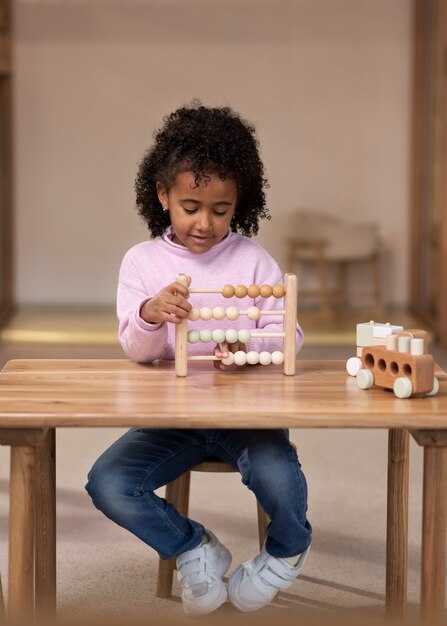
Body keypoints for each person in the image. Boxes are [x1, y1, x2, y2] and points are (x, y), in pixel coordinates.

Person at [85, 102, 312, 617]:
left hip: (248, 418)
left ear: (240, 203)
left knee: (279, 475)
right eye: (191, 206)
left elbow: (287, 333)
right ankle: (193, 547)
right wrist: (150, 314)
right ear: (163, 195)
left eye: (220, 209)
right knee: (109, 482)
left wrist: (250, 349)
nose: (205, 223)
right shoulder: (142, 262)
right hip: (173, 419)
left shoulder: (254, 260)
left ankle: (286, 550)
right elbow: (137, 351)